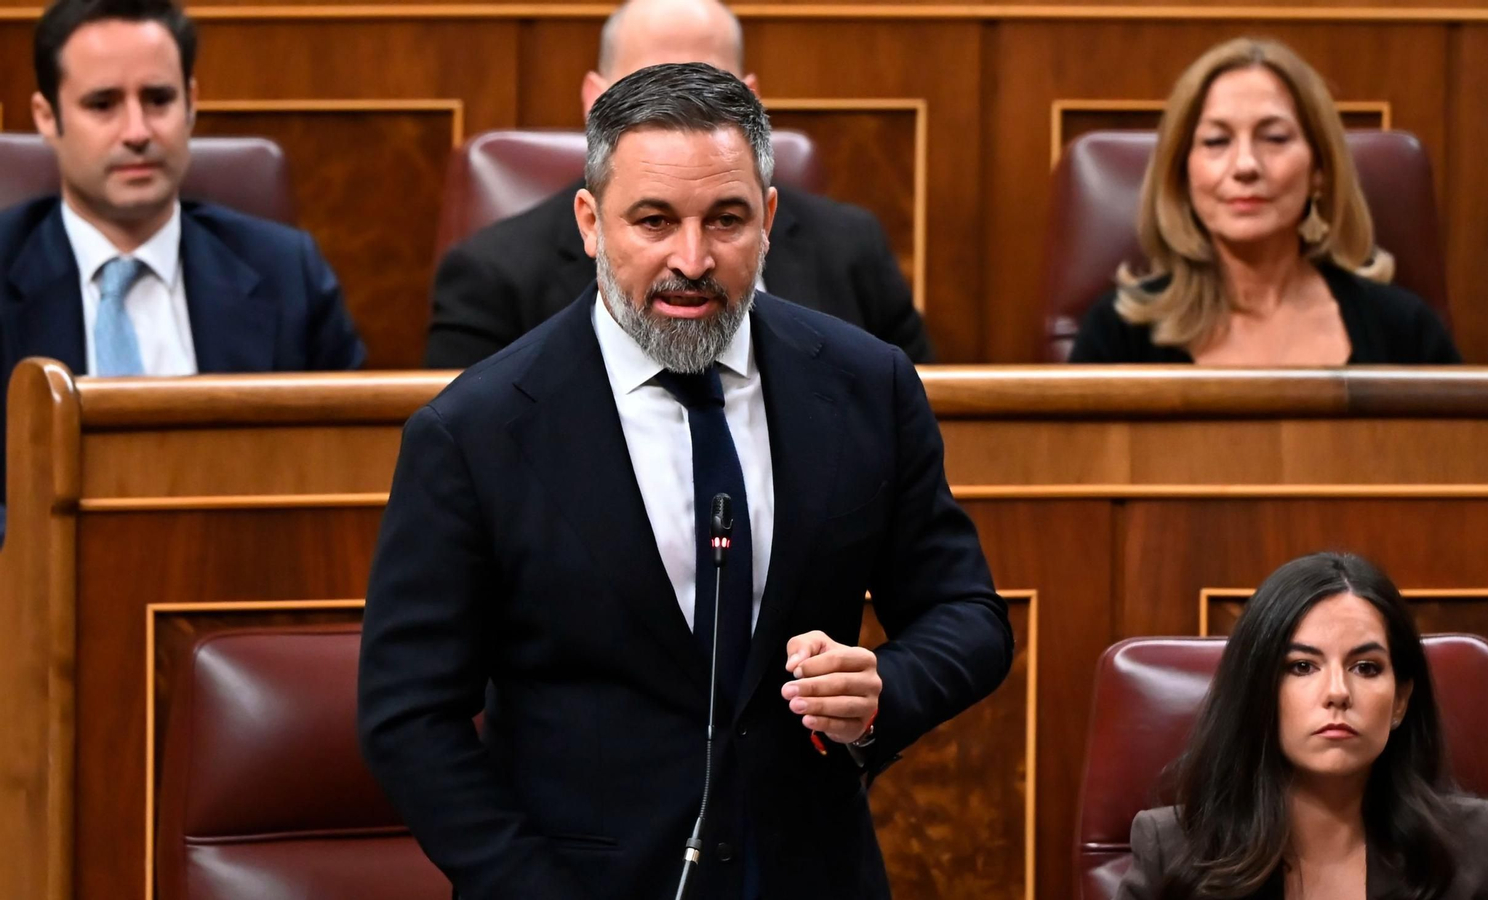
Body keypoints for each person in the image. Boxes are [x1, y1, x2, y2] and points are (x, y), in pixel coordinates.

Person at [358, 63, 1011, 900]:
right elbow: (408, 718)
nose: (692, 260)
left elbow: (969, 617)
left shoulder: (866, 385)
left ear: (769, 219)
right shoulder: (475, 432)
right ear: (591, 223)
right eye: (655, 221)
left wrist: (883, 687)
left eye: (726, 220)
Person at [0, 0, 364, 541]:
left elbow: (353, 472)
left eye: (158, 99)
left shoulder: (288, 273)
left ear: (191, 103)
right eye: (103, 104)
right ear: (47, 117)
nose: (137, 131)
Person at [423, 0, 933, 369]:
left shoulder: (851, 248)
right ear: (593, 101)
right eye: (648, 93)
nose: (692, 259)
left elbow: (924, 422)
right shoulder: (493, 275)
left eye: (705, 89)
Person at [1116, 552, 1488, 900]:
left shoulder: (1481, 850)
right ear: (1257, 691)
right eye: (1302, 666)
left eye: (1366, 667)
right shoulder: (1172, 853)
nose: (1338, 691)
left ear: (1401, 701)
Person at [1070, 38, 1460, 365]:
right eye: (1216, 142)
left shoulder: (1404, 330)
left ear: (1319, 170)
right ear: (1182, 175)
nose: (1245, 166)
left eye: (1274, 138)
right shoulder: (1117, 334)